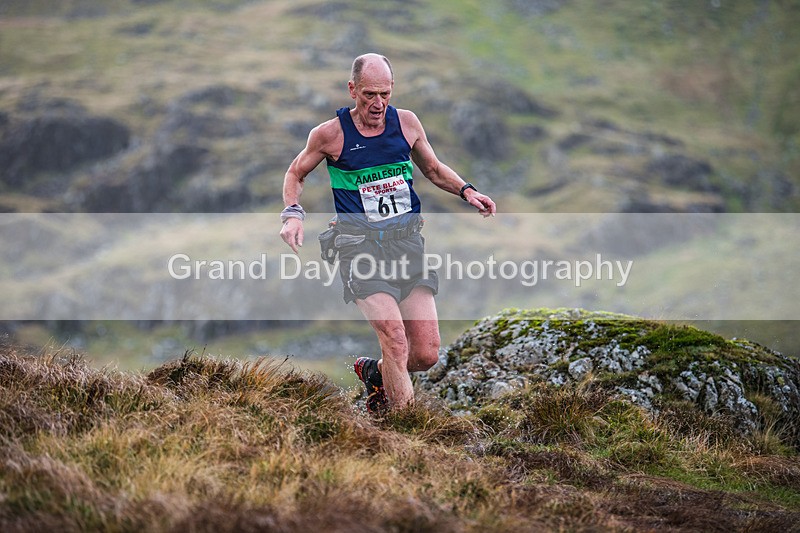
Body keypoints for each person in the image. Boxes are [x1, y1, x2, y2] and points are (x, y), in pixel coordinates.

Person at [280, 53, 496, 413]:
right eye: (369, 95)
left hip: (407, 246)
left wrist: (467, 191)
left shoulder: (407, 124)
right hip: (358, 249)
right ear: (352, 89)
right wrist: (293, 215)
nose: (378, 103)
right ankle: (405, 430)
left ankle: (376, 373)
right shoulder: (330, 135)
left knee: (425, 354)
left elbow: (434, 169)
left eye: (385, 94)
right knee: (395, 341)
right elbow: (295, 173)